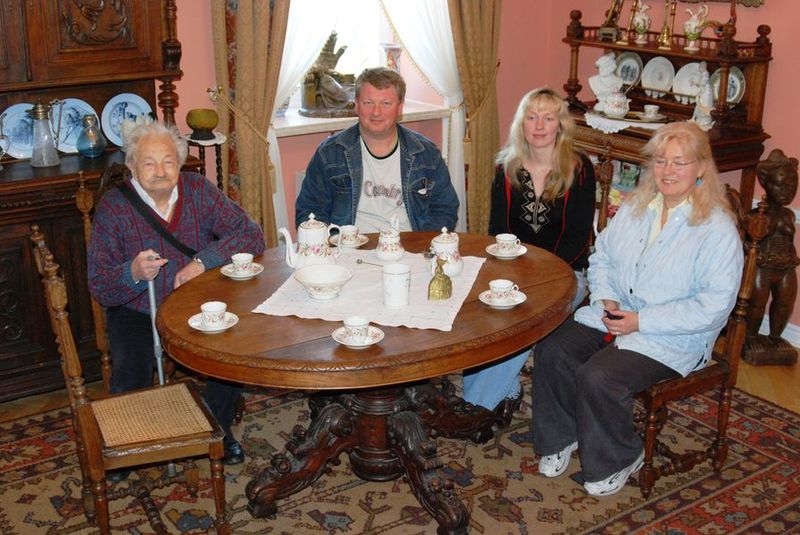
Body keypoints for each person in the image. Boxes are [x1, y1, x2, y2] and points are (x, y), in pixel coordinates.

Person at [532, 121, 743, 496]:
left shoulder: (716, 229)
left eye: (679, 162)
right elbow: (602, 258)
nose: (667, 171)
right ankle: (562, 434)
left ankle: (621, 456)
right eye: (660, 161)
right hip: (616, 313)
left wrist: (642, 322)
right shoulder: (635, 207)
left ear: (700, 167)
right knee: (554, 349)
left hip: (672, 335)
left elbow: (713, 306)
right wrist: (606, 298)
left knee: (599, 377)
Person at [88, 122, 265, 474]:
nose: (160, 171)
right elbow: (99, 285)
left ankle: (217, 428)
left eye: (168, 161)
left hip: (194, 303)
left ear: (180, 163)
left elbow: (250, 234)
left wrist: (202, 262)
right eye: (149, 162)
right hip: (138, 308)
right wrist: (132, 272)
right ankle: (126, 441)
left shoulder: (198, 190)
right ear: (132, 166)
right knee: (131, 368)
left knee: (228, 356)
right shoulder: (114, 207)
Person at [462, 88, 596, 412]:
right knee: (486, 311)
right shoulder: (506, 167)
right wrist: (509, 273)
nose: (539, 125)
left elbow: (579, 237)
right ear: (522, 123)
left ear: (560, 125)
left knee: (524, 316)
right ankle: (501, 392)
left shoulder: (579, 168)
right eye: (532, 117)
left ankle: (476, 407)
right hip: (513, 270)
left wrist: (542, 276)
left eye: (548, 118)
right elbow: (498, 229)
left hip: (567, 274)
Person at [295, 66, 459, 232]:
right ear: (356, 105)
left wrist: (421, 243)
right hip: (348, 244)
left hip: (409, 243)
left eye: (386, 103)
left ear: (399, 107)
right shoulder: (329, 154)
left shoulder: (426, 153)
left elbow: (445, 210)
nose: (376, 112)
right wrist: (328, 243)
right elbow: (309, 211)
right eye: (368, 103)